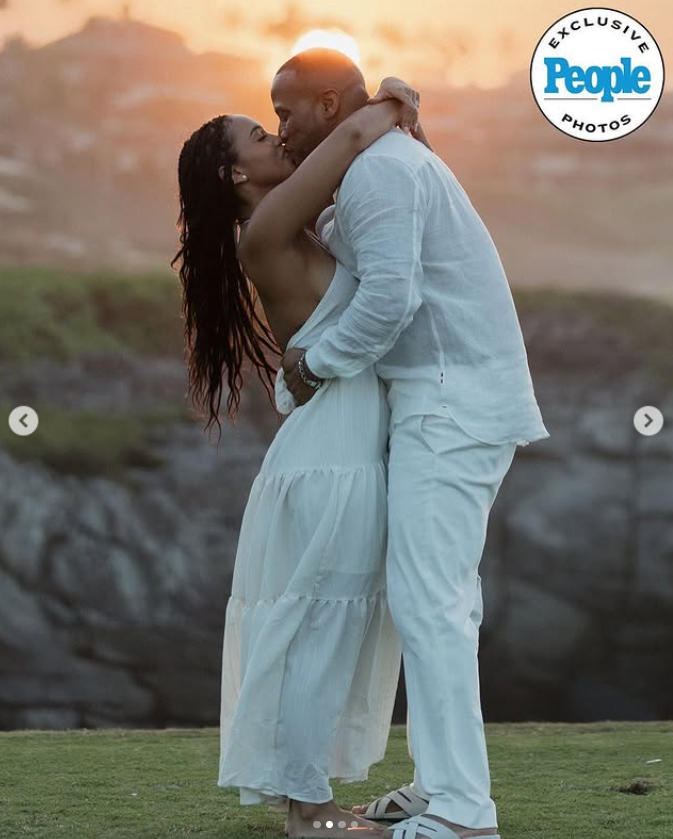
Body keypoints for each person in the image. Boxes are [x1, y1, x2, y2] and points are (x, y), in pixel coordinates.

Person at [274, 49, 550, 839]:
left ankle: (463, 815)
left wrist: (312, 365)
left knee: (431, 605)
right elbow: (369, 262)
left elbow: (391, 297)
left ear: (330, 106)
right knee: (437, 604)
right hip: (448, 398)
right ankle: (442, 788)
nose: (280, 127)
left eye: (289, 110)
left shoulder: (380, 172)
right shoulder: (378, 167)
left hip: (451, 401)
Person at [172, 75, 426, 839]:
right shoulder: (267, 230)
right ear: (234, 176)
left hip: (340, 446)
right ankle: (307, 812)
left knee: (327, 623)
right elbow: (349, 137)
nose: (275, 137)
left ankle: (308, 799)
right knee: (320, 622)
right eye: (259, 133)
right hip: (333, 456)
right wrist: (392, 99)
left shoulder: (300, 225)